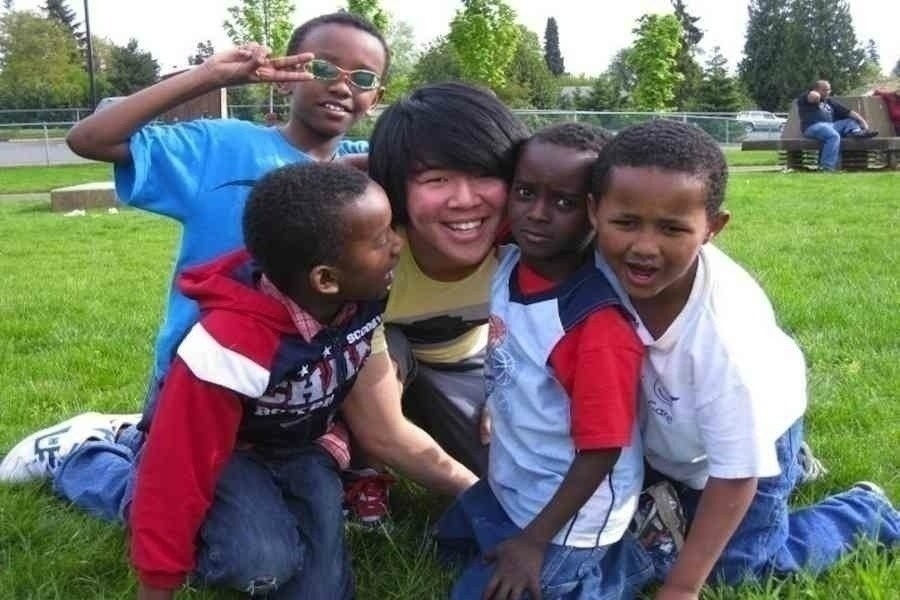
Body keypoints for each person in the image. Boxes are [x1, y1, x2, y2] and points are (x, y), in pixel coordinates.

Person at [0, 12, 393, 521]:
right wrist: (210, 75)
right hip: (203, 376)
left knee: (270, 534)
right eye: (324, 67)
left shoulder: (368, 171)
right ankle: (86, 456)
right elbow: (90, 139)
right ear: (290, 72)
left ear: (376, 96)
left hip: (296, 390)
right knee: (171, 516)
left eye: (362, 78)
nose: (342, 85)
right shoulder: (219, 146)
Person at [587, 119, 900, 599]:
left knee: (739, 569)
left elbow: (734, 479)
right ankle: (794, 465)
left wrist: (684, 587)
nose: (644, 246)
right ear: (594, 212)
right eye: (626, 222)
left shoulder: (727, 341)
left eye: (673, 228)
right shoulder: (591, 265)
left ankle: (861, 511)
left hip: (751, 440)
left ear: (713, 227)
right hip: (673, 429)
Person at [128, 162, 401, 599]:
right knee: (261, 564)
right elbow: (178, 471)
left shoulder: (363, 288)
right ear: (325, 279)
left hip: (299, 447)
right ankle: (102, 470)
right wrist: (157, 582)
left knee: (321, 594)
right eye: (381, 238)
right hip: (225, 453)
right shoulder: (228, 348)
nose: (398, 245)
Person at [434, 123, 650, 599]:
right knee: (444, 544)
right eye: (525, 193)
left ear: (595, 211)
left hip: (571, 515)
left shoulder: (593, 324)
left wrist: (535, 541)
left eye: (564, 203)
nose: (537, 214)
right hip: (514, 480)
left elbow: (601, 449)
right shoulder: (517, 256)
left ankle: (641, 557)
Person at [342, 81, 531, 493]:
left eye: (484, 174)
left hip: (464, 360)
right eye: (437, 179)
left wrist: (515, 390)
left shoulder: (529, 241)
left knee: (515, 474)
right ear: (397, 188)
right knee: (383, 346)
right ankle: (362, 475)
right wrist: (486, 508)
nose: (464, 200)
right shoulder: (372, 250)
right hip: (380, 364)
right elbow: (383, 430)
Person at [799, 80, 878, 171]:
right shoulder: (805, 97)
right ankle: (826, 168)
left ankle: (856, 132)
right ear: (815, 89)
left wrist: (863, 123)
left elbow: (849, 112)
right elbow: (813, 97)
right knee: (833, 136)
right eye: (825, 90)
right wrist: (816, 94)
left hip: (831, 126)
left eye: (829, 90)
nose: (828, 92)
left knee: (849, 121)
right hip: (813, 127)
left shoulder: (829, 102)